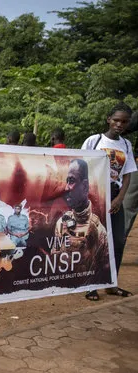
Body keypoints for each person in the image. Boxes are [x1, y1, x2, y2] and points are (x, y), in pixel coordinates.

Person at [81, 102, 136, 300]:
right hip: (95, 194)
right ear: (108, 120)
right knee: (95, 240)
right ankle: (90, 285)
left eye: (124, 121)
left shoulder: (126, 145)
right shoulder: (94, 141)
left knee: (118, 241)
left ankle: (111, 284)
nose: (120, 124)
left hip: (114, 197)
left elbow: (128, 174)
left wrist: (120, 198)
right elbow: (81, 166)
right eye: (116, 120)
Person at [53, 159, 108, 280]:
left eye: (71, 181)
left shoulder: (100, 231)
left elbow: (104, 271)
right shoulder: (61, 224)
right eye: (67, 181)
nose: (67, 187)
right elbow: (54, 262)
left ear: (85, 186)